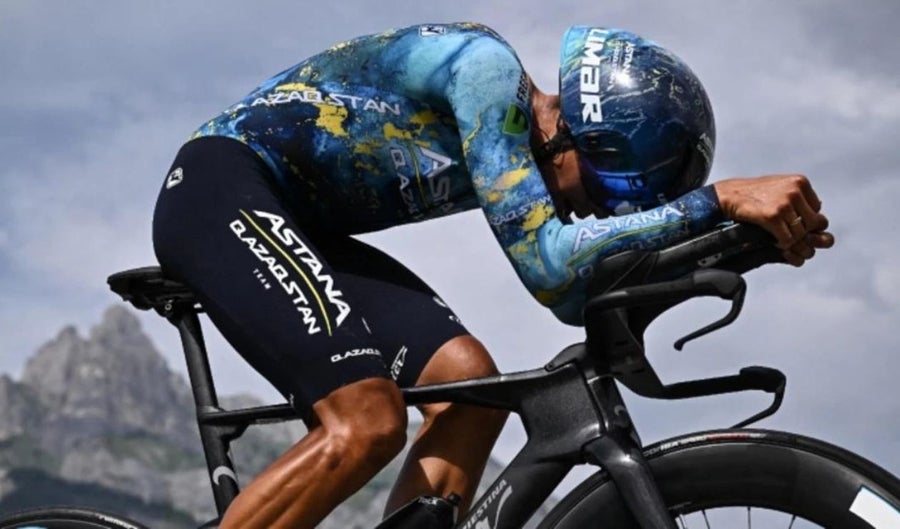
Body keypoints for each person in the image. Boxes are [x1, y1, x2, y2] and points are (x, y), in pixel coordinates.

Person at [151, 22, 834, 529]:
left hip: (303, 227)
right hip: (220, 187)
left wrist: (736, 244)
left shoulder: (530, 139)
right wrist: (717, 201)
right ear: (582, 134)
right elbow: (553, 269)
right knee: (366, 420)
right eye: (607, 195)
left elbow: (582, 288)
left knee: (470, 389)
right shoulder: (484, 72)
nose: (595, 215)